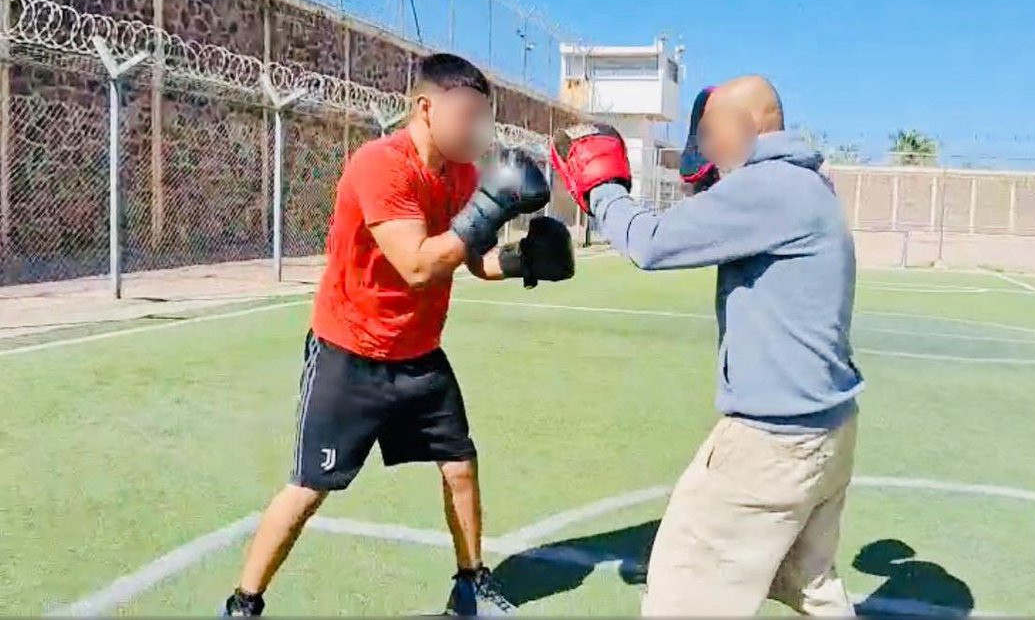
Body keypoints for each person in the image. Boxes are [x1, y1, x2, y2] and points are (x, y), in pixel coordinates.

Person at [221, 53, 576, 618]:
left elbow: (471, 260)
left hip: (419, 354)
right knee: (309, 488)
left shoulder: (462, 175)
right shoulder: (380, 166)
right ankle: (243, 603)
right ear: (426, 108)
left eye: (483, 118)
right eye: (467, 116)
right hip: (351, 354)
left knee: (459, 466)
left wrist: (524, 262)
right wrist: (489, 207)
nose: (477, 130)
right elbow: (416, 264)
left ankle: (470, 586)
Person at [549, 75, 865, 617]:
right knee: (808, 583)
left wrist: (600, 188)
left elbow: (651, 244)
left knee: (682, 596)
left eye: (711, 135)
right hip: (828, 431)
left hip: (773, 443)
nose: (707, 151)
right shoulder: (808, 184)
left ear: (746, 125)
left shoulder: (768, 187)